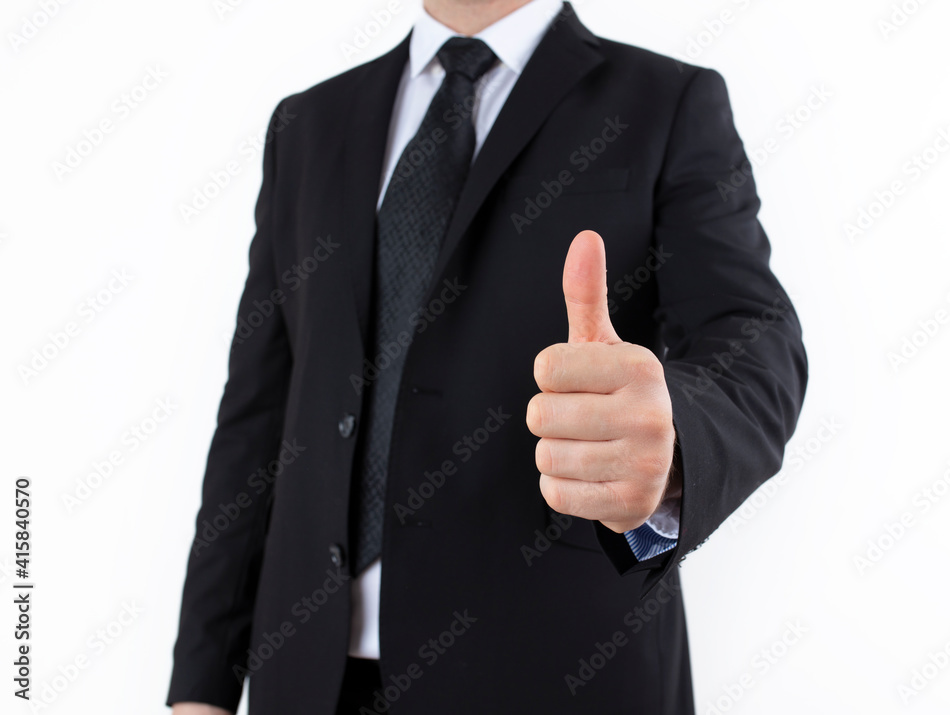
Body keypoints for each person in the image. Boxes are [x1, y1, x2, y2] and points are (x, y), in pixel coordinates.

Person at [166, 1, 808, 713]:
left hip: (557, 670)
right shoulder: (307, 125)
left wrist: (674, 440)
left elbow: (753, 336)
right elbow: (255, 426)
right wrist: (203, 685)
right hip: (308, 678)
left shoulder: (666, 102)